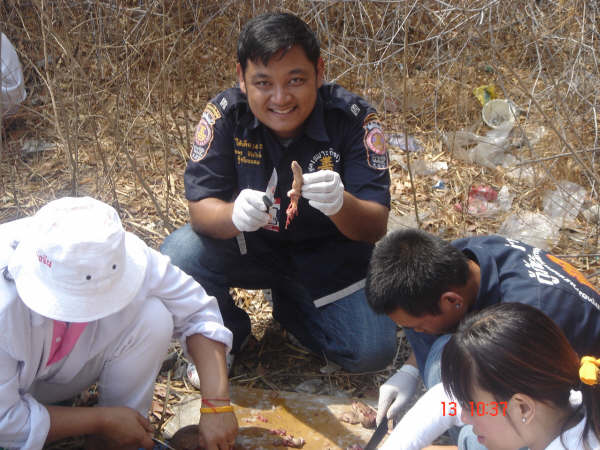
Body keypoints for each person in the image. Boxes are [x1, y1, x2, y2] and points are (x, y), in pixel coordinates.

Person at [160, 12, 397, 380]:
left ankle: (291, 308)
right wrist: (233, 216)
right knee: (178, 254)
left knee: (371, 352)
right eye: (263, 83)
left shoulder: (353, 119)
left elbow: (374, 225)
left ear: (319, 72)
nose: (281, 97)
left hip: (329, 257)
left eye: (296, 80)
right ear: (241, 78)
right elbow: (200, 211)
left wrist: (341, 204)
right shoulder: (224, 116)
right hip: (251, 248)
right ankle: (226, 337)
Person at [0, 196, 237, 450]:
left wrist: (216, 404)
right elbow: (3, 421)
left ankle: (119, 438)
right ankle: (110, 425)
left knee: (153, 316)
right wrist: (100, 421)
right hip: (9, 397)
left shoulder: (112, 254)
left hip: (57, 372)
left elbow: (198, 311)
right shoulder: (6, 301)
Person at [365, 228, 600, 443]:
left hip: (574, 398)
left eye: (417, 326)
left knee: (449, 368)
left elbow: (465, 406)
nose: (417, 332)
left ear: (452, 301)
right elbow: (447, 403)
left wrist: (468, 431)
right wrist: (410, 369)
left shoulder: (530, 316)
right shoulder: (462, 260)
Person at [381, 303, 600, 450]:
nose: (463, 415)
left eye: (470, 405)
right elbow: (446, 401)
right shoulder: (562, 401)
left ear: (522, 408)